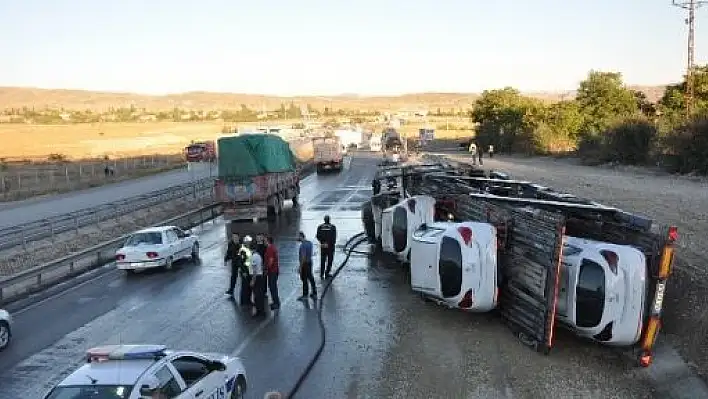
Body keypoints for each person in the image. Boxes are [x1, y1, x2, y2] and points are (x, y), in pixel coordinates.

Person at [249, 237, 267, 318]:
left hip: (257, 277)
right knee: (259, 295)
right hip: (261, 276)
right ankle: (261, 311)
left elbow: (255, 270)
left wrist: (253, 280)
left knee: (257, 296)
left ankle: (259, 312)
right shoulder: (259, 256)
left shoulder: (253, 257)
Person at [297, 231, 317, 300]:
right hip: (310, 263)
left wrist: (300, 267)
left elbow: (303, 257)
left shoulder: (303, 246)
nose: (297, 238)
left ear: (301, 236)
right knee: (311, 278)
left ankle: (305, 295)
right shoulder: (310, 243)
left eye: (298, 237)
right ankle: (314, 293)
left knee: (304, 279)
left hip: (305, 264)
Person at [316, 215, 337, 279]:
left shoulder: (320, 227)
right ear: (329, 220)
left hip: (323, 246)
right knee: (330, 260)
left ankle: (322, 274)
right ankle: (327, 273)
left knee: (323, 260)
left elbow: (318, 236)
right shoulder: (333, 227)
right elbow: (334, 237)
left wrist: (322, 242)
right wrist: (331, 244)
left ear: (324, 220)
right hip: (330, 247)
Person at [223, 232, 243, 299]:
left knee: (244, 276)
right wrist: (226, 259)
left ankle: (246, 291)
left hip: (241, 263)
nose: (235, 238)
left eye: (236, 237)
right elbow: (228, 252)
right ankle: (231, 290)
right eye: (233, 237)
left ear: (238, 237)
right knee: (233, 276)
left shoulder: (241, 244)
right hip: (234, 262)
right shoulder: (230, 243)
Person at [264, 235, 280, 310]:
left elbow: (271, 260)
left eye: (265, 240)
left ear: (268, 241)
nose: (264, 241)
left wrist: (267, 269)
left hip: (272, 271)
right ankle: (276, 302)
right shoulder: (273, 247)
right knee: (273, 287)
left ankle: (276, 303)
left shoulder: (270, 248)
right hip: (275, 271)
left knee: (273, 287)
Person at [238, 236, 254, 306]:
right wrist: (243, 271)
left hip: (250, 270)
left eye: (249, 241)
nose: (248, 243)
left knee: (249, 286)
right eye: (247, 241)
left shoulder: (249, 249)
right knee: (245, 286)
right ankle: (243, 301)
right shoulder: (242, 250)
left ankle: (248, 300)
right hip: (245, 271)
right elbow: (241, 262)